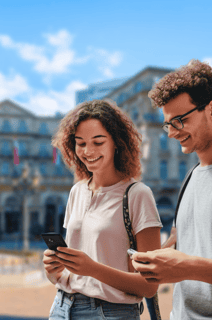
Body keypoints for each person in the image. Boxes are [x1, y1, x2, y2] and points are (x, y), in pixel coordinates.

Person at [43, 99, 163, 319]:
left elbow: (149, 286)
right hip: (62, 307)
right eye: (80, 143)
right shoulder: (76, 191)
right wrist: (55, 270)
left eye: (98, 142)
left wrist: (92, 269)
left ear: (116, 143)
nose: (88, 151)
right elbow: (74, 271)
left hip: (109, 313)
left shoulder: (138, 195)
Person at [131, 59, 212, 319]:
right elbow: (183, 246)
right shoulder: (189, 179)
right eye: (168, 124)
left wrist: (190, 268)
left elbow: (190, 264)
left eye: (180, 120)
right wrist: (156, 259)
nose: (171, 133)